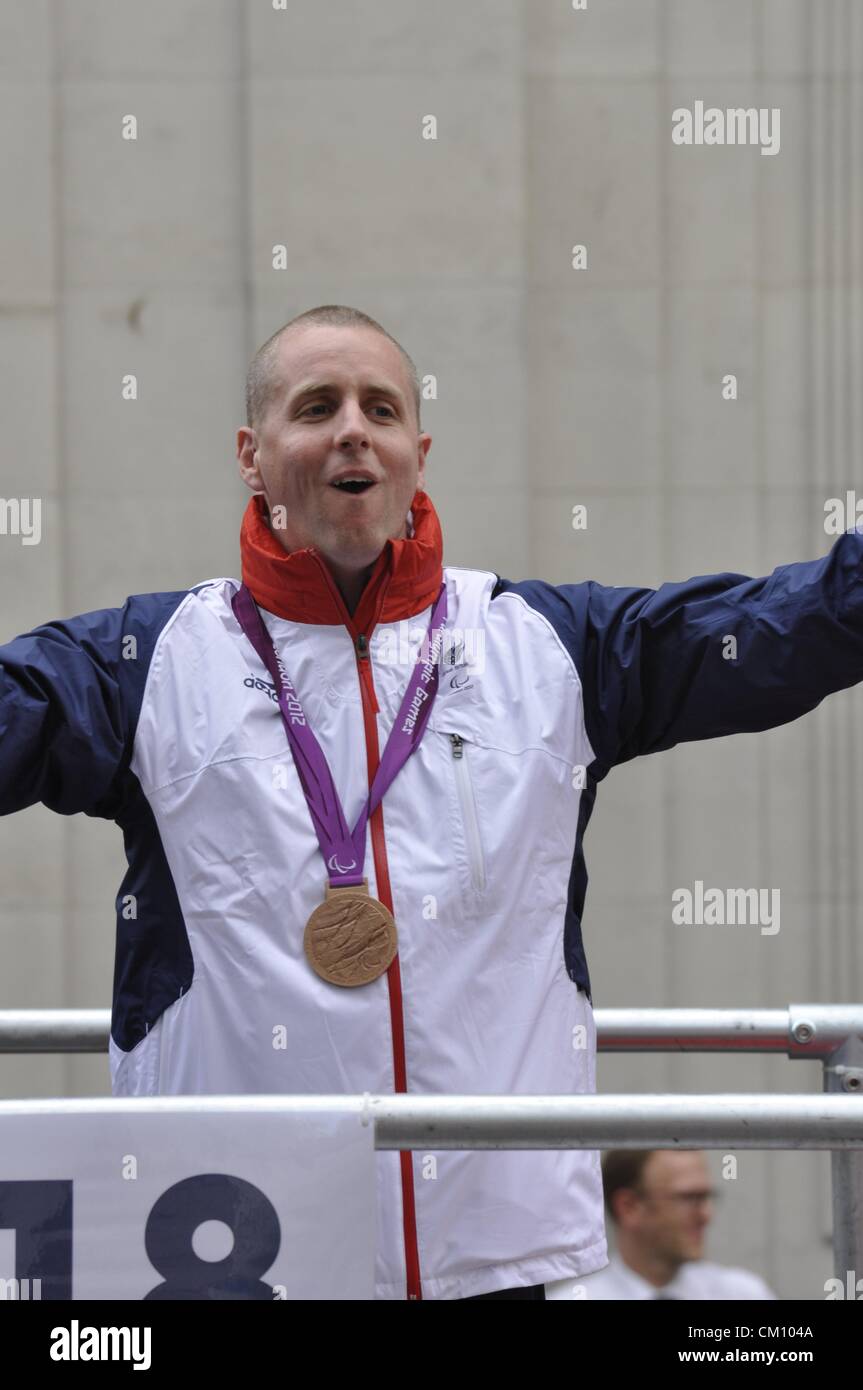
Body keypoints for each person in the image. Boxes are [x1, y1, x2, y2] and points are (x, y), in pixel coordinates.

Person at [2, 302, 862, 1300]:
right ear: (252, 452)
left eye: (380, 407)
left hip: (492, 1257)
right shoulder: (143, 665)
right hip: (241, 1254)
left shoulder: (545, 647)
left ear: (418, 448)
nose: (351, 429)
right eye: (315, 406)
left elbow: (776, 629)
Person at [546, 1149, 778, 1300]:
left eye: (707, 1197)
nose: (707, 1215)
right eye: (689, 1198)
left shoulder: (742, 1295)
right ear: (629, 1207)